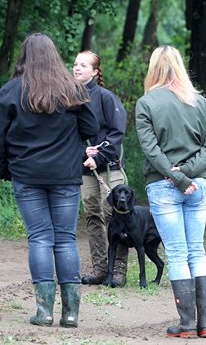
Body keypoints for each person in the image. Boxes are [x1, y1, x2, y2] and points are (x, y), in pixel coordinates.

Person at [0, 33, 99, 327]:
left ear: (23, 56)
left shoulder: (11, 91)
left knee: (39, 238)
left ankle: (44, 312)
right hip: (65, 176)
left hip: (27, 175)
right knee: (64, 239)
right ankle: (71, 313)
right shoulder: (73, 91)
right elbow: (91, 127)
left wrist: (5, 170)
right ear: (54, 56)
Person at [135, 46, 206, 338]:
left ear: (154, 68)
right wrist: (188, 173)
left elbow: (151, 149)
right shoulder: (201, 102)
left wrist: (176, 176)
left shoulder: (146, 103)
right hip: (198, 185)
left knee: (176, 253)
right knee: (197, 251)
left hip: (162, 185)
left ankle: (185, 325)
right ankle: (205, 324)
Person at [72, 50, 129, 287]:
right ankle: (99, 268)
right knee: (93, 216)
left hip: (110, 170)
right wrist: (80, 154)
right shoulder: (68, 97)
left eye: (83, 65)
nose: (77, 68)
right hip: (84, 170)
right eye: (75, 64)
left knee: (114, 217)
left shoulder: (106, 98)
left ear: (95, 71)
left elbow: (117, 133)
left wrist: (100, 155)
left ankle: (118, 271)